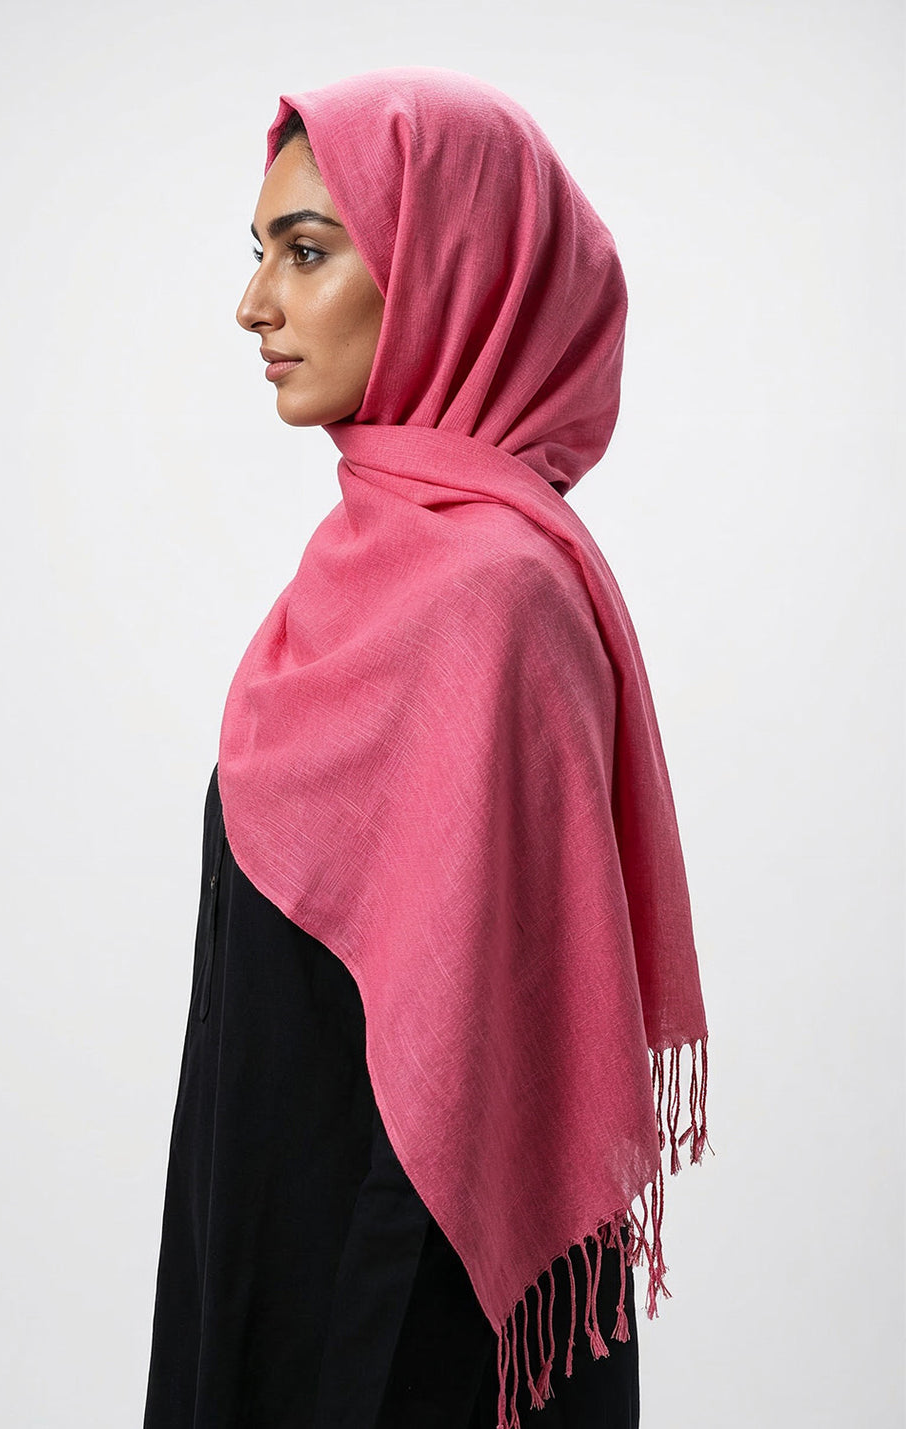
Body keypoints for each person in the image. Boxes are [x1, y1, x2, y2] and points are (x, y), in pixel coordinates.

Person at [142, 67, 711, 1429]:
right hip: (260, 1252)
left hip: (401, 1323)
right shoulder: (356, 569)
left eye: (307, 251)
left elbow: (460, 1061)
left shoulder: (497, 597)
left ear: (452, 274)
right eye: (258, 254)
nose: (255, 304)